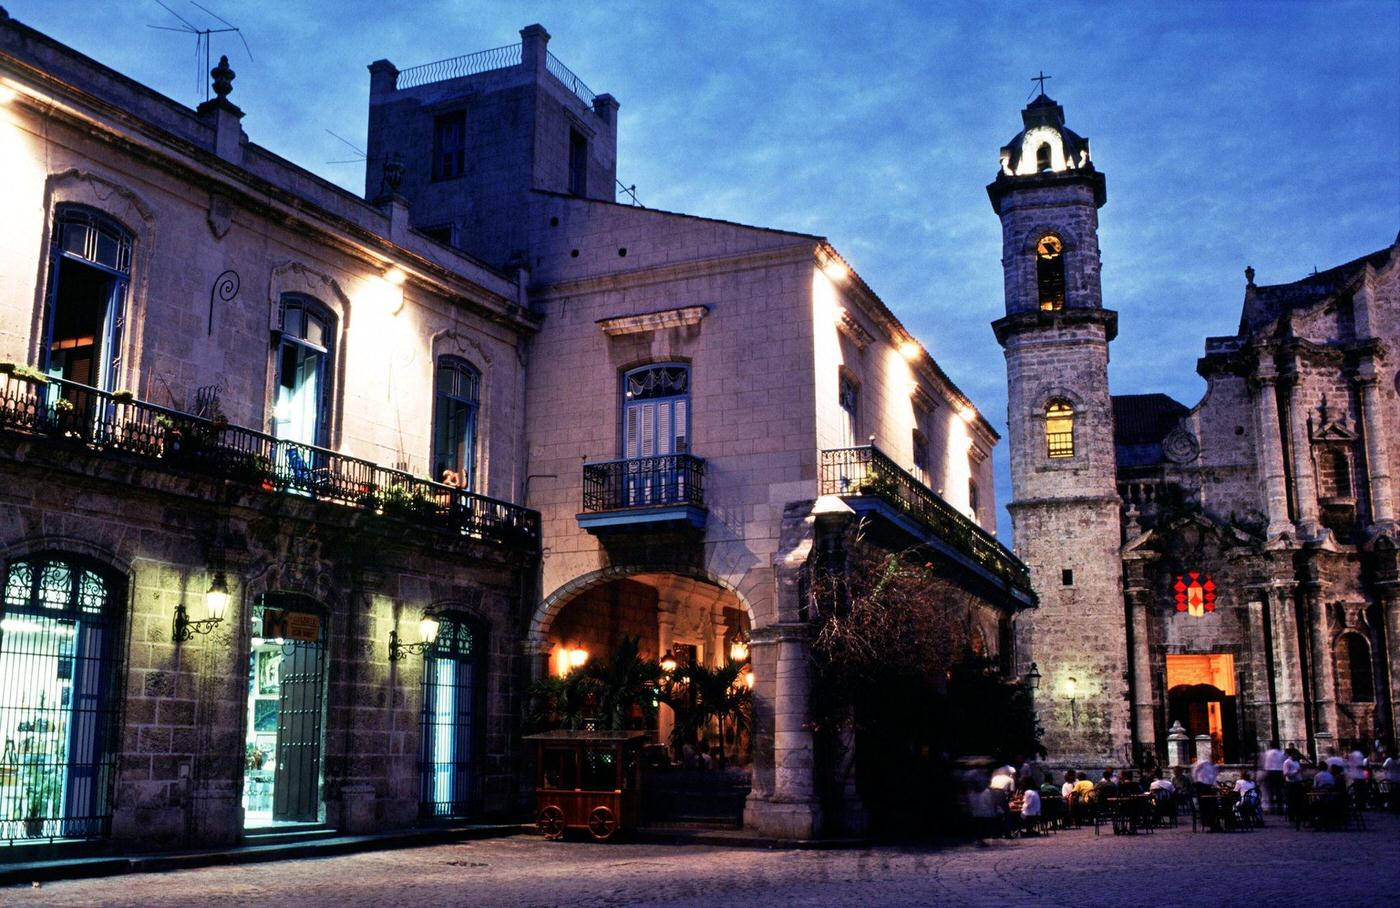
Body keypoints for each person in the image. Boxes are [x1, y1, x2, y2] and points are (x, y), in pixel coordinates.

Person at [1192, 755, 1222, 831]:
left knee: (1212, 804)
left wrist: (1215, 786)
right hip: (1201, 785)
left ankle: (1213, 823)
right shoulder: (1203, 763)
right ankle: (1206, 822)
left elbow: (1214, 777)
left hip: (1209, 786)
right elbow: (1195, 770)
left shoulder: (1214, 766)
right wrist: (1195, 781)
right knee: (1204, 805)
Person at [1261, 741, 1285, 814]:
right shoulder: (1281, 753)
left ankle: (1271, 809)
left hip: (1269, 772)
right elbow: (1283, 762)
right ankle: (1280, 809)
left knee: (1269, 791)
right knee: (1279, 792)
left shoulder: (1267, 753)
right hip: (1279, 772)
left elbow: (1263, 763)